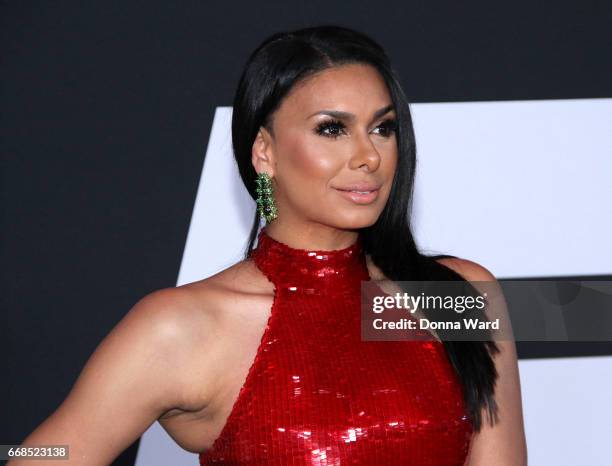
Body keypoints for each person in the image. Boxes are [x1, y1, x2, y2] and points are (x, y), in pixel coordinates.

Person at [9, 25, 526, 466]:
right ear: (265, 151)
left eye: (382, 128)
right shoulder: (182, 325)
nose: (369, 155)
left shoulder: (459, 293)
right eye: (332, 129)